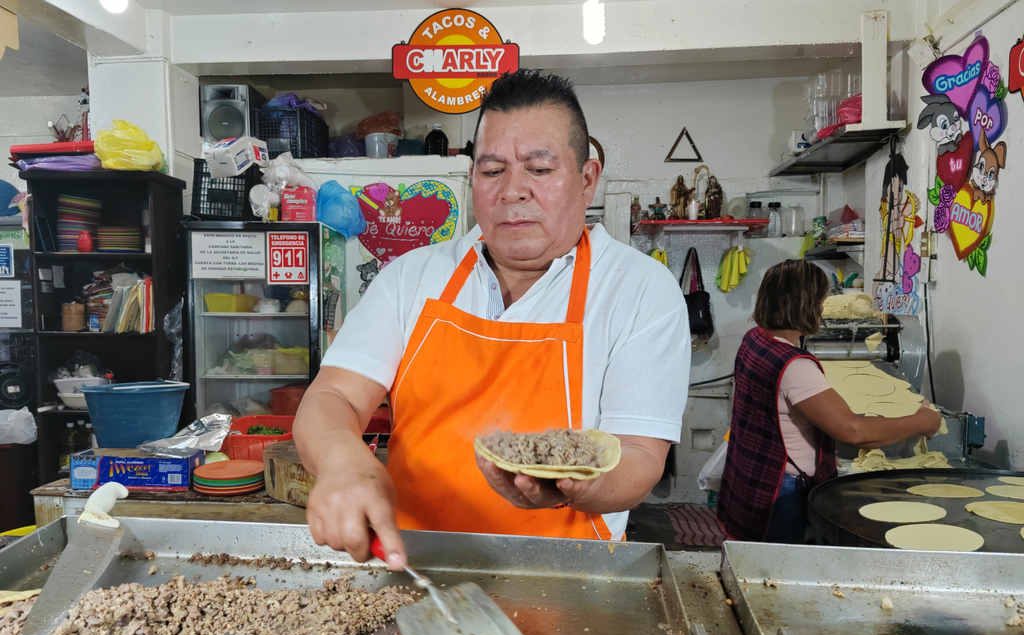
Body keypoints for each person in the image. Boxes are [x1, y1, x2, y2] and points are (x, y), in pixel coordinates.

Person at [295, 70, 691, 569]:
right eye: (492, 170)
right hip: (414, 568)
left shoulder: (639, 290)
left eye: (540, 170)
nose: (512, 191)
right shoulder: (411, 278)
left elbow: (638, 454)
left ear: (587, 179)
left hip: (570, 580)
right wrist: (341, 462)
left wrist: (574, 484)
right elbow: (333, 397)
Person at [716, 260, 941, 543]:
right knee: (781, 573)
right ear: (806, 305)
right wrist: (922, 421)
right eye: (822, 299)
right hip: (781, 492)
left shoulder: (755, 340)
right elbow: (853, 431)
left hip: (749, 479)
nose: (823, 307)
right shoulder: (794, 367)